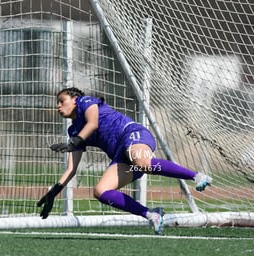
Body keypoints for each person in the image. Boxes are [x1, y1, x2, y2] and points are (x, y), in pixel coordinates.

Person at [37, 87, 212, 234]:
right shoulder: (74, 131)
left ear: (75, 99)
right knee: (100, 191)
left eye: (62, 101)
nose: (58, 106)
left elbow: (93, 124)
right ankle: (151, 214)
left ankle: (197, 176)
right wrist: (54, 192)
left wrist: (74, 143)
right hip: (121, 155)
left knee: (142, 162)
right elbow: (71, 169)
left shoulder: (85, 102)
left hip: (132, 134)